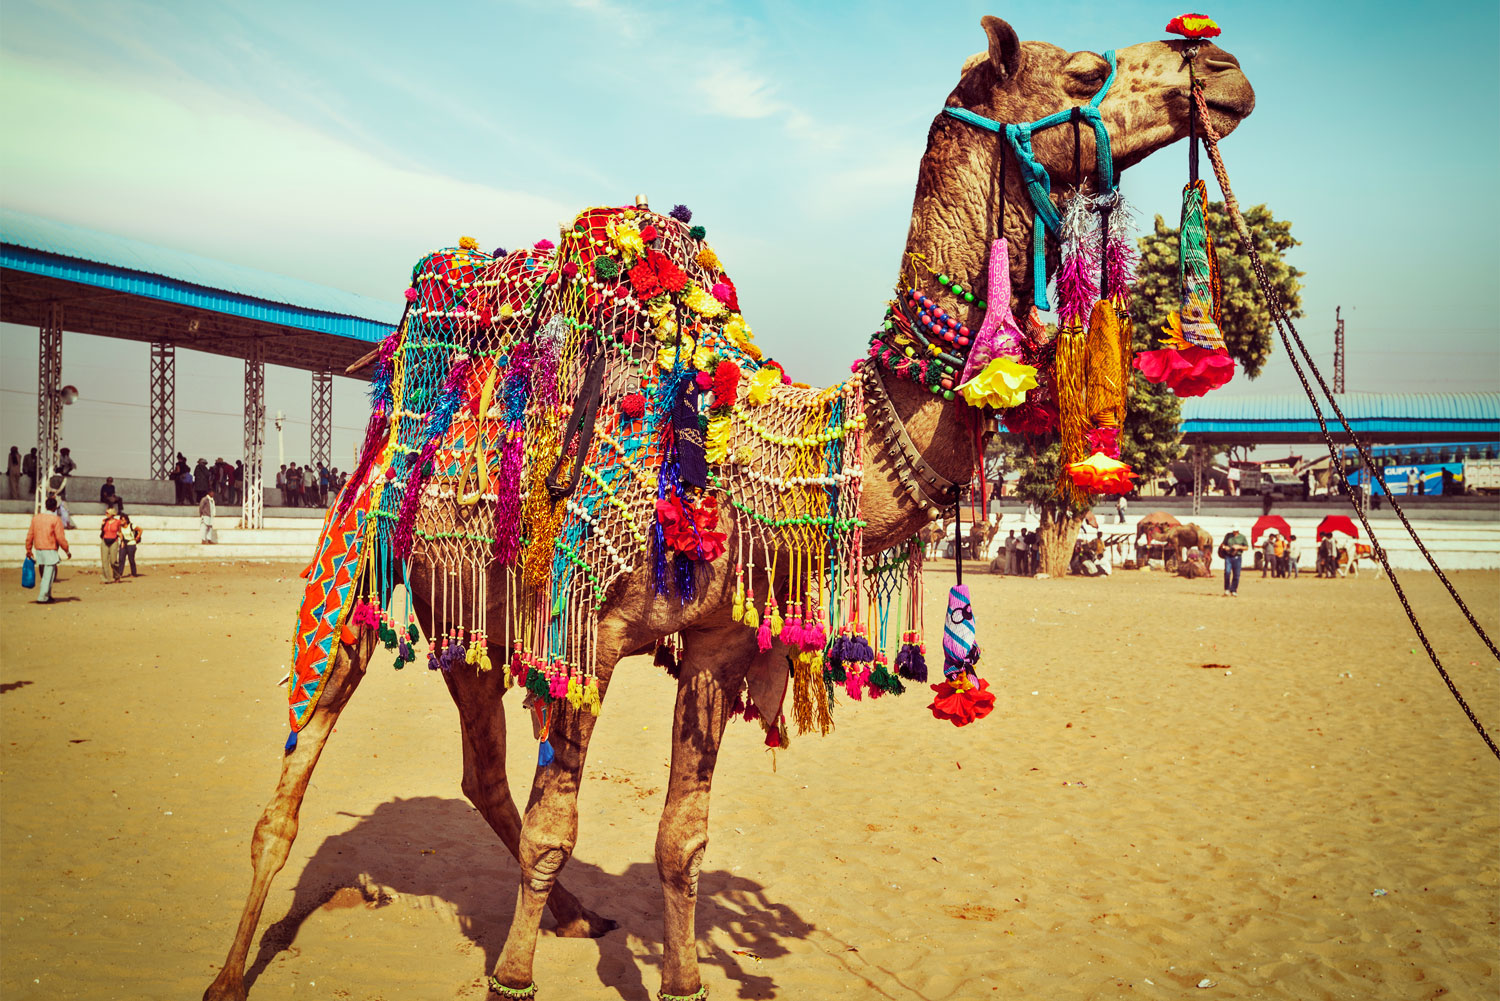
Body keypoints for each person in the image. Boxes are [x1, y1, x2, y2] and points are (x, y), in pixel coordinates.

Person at [24, 496, 71, 603]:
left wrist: (28, 549)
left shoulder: (36, 518)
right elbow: (60, 537)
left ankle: (48, 595)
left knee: (49, 574)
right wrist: (67, 550)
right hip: (50, 548)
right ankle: (42, 597)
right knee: (48, 574)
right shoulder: (55, 519)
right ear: (55, 507)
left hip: (39, 548)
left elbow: (30, 534)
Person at [1219, 525, 1248, 596]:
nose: (1234, 532)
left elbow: (1246, 547)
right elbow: (1223, 545)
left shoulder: (1242, 537)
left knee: (1236, 574)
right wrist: (1226, 547)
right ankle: (1227, 589)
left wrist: (1239, 547)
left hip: (1237, 557)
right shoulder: (1228, 536)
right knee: (1227, 572)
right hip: (1228, 556)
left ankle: (1234, 589)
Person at [99, 504, 124, 584]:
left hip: (114, 540)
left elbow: (119, 532)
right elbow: (102, 531)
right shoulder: (104, 521)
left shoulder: (117, 522)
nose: (106, 514)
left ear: (112, 514)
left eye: (107, 513)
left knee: (113, 561)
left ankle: (116, 576)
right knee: (104, 560)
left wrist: (122, 541)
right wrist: (102, 525)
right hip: (105, 540)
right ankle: (106, 578)